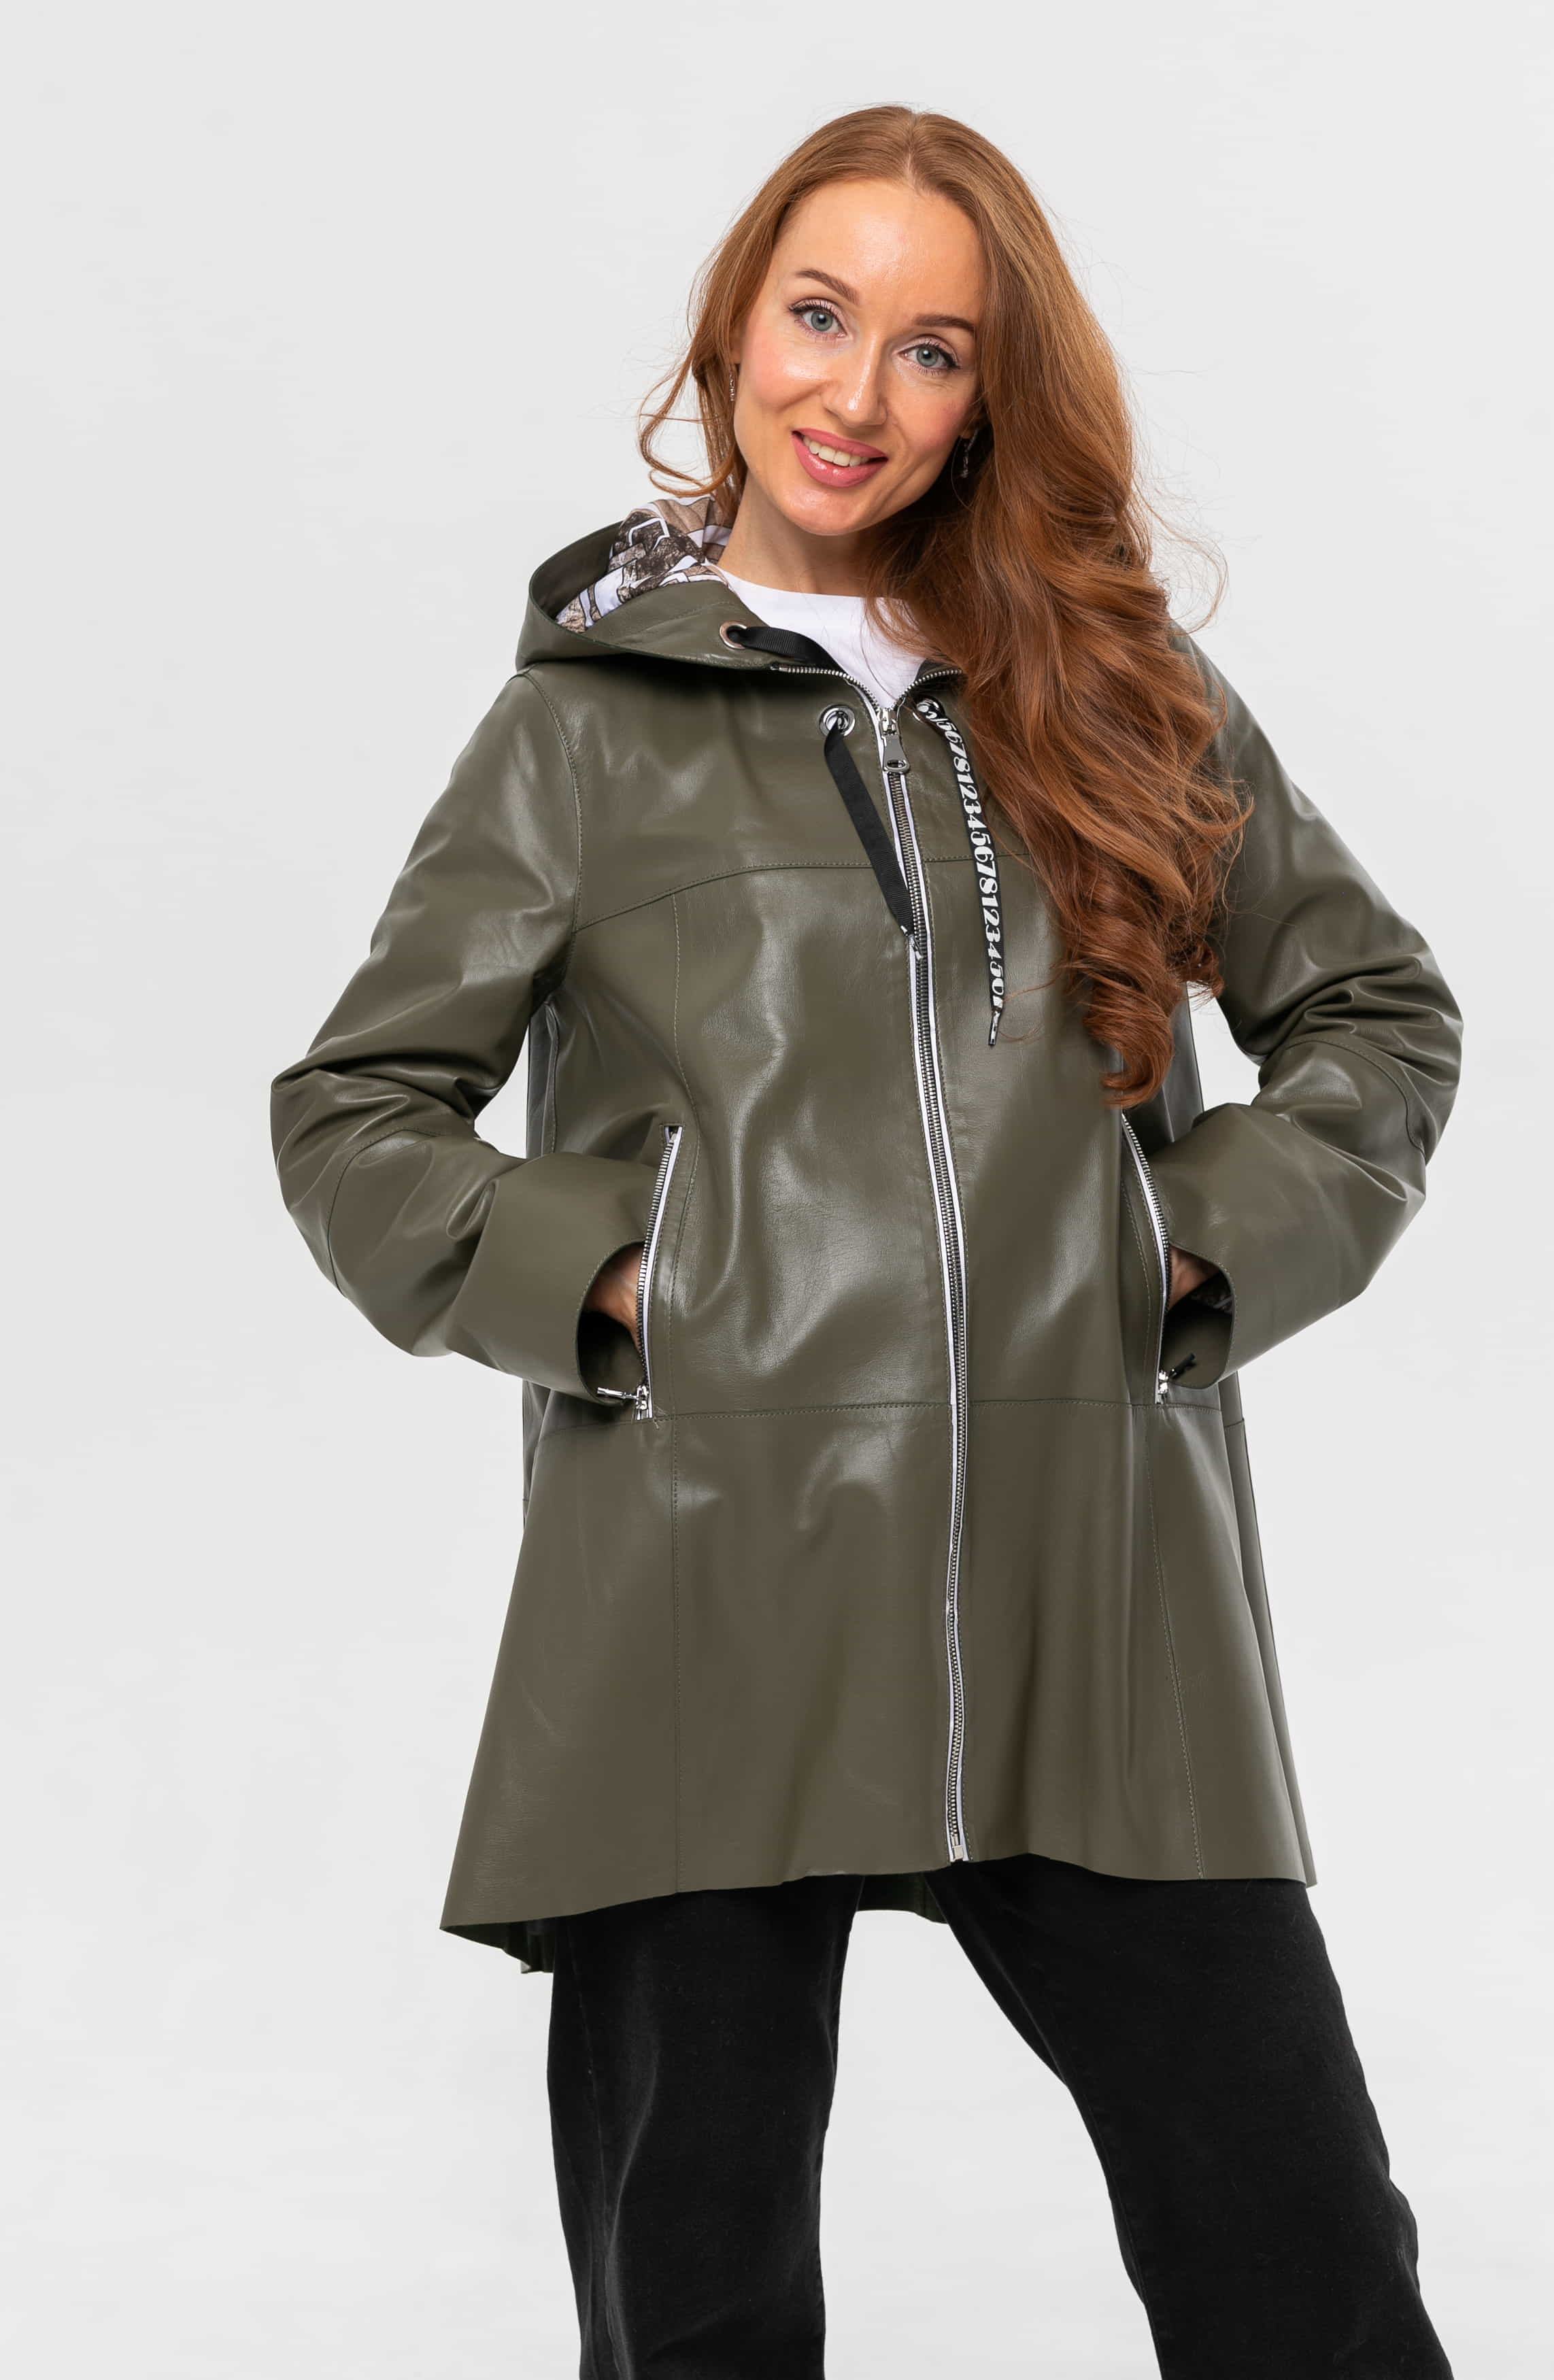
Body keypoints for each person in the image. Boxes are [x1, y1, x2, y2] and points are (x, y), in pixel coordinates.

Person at [270, 103, 1461, 2380]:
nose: (856, 392)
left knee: (1300, 2251)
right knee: (696, 2305)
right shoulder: (580, 732)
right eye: (818, 317)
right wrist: (631, 1285)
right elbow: (357, 1111)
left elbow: (1374, 1010)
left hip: (1093, 1577)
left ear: (990, 397)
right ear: (734, 326)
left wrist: (1184, 1249)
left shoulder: (1116, 687)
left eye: (934, 348)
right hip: (702, 1579)